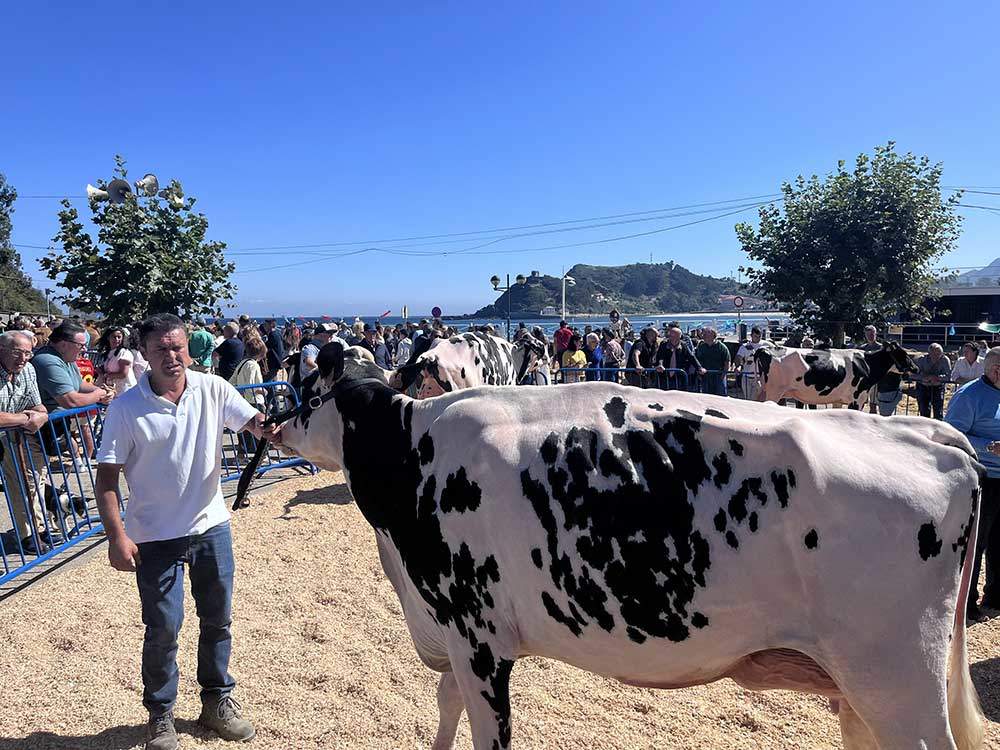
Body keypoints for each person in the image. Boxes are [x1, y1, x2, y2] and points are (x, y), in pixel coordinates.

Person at [95, 313, 276, 750]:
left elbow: (252, 420)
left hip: (211, 526)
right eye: (161, 349)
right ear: (145, 354)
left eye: (178, 347)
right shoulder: (126, 408)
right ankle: (160, 715)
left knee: (218, 620)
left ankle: (217, 700)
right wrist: (117, 536)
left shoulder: (212, 387)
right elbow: (106, 480)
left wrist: (269, 428)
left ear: (188, 348)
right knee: (163, 627)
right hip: (154, 536)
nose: (172, 357)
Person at [944, 347, 1000, 620]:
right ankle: (965, 604)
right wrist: (988, 446)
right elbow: (951, 436)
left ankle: (996, 595)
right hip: (982, 478)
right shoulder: (968, 396)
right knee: (976, 543)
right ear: (995, 370)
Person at [0, 331, 53, 554]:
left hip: (11, 438)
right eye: (17, 352)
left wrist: (41, 416)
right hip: (9, 433)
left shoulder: (28, 369)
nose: (23, 358)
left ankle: (33, 532)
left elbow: (38, 406)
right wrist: (24, 418)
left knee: (28, 482)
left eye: (28, 353)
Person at [655, 326, 705, 391]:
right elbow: (660, 357)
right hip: (665, 376)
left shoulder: (684, 345)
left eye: (675, 336)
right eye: (671, 336)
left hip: (679, 376)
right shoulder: (664, 345)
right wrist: (660, 365)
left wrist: (699, 368)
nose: (673, 338)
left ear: (680, 337)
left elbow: (691, 357)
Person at [96, 326, 138, 398]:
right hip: (113, 390)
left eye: (119, 337)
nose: (116, 339)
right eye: (114, 337)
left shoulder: (124, 353)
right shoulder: (109, 353)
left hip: (125, 391)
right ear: (108, 338)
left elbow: (123, 374)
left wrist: (106, 375)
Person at [915, 343, 951, 419]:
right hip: (923, 387)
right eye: (933, 354)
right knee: (923, 411)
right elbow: (914, 374)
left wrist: (937, 378)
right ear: (929, 353)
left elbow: (948, 376)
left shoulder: (945, 360)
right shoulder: (921, 359)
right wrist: (923, 378)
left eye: (938, 354)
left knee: (938, 412)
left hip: (938, 387)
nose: (936, 356)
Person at [735, 327, 769, 400]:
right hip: (747, 376)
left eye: (759, 336)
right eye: (755, 336)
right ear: (751, 335)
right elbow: (739, 358)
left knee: (760, 398)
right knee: (748, 398)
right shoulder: (745, 346)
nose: (757, 338)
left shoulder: (766, 345)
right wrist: (738, 366)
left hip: (760, 377)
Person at [694, 326, 730, 396]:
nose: (703, 336)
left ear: (712, 335)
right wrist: (699, 372)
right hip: (706, 377)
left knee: (720, 397)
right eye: (703, 335)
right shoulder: (701, 347)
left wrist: (723, 376)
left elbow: (727, 362)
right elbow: (697, 360)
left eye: (705, 335)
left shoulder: (721, 347)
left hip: (718, 376)